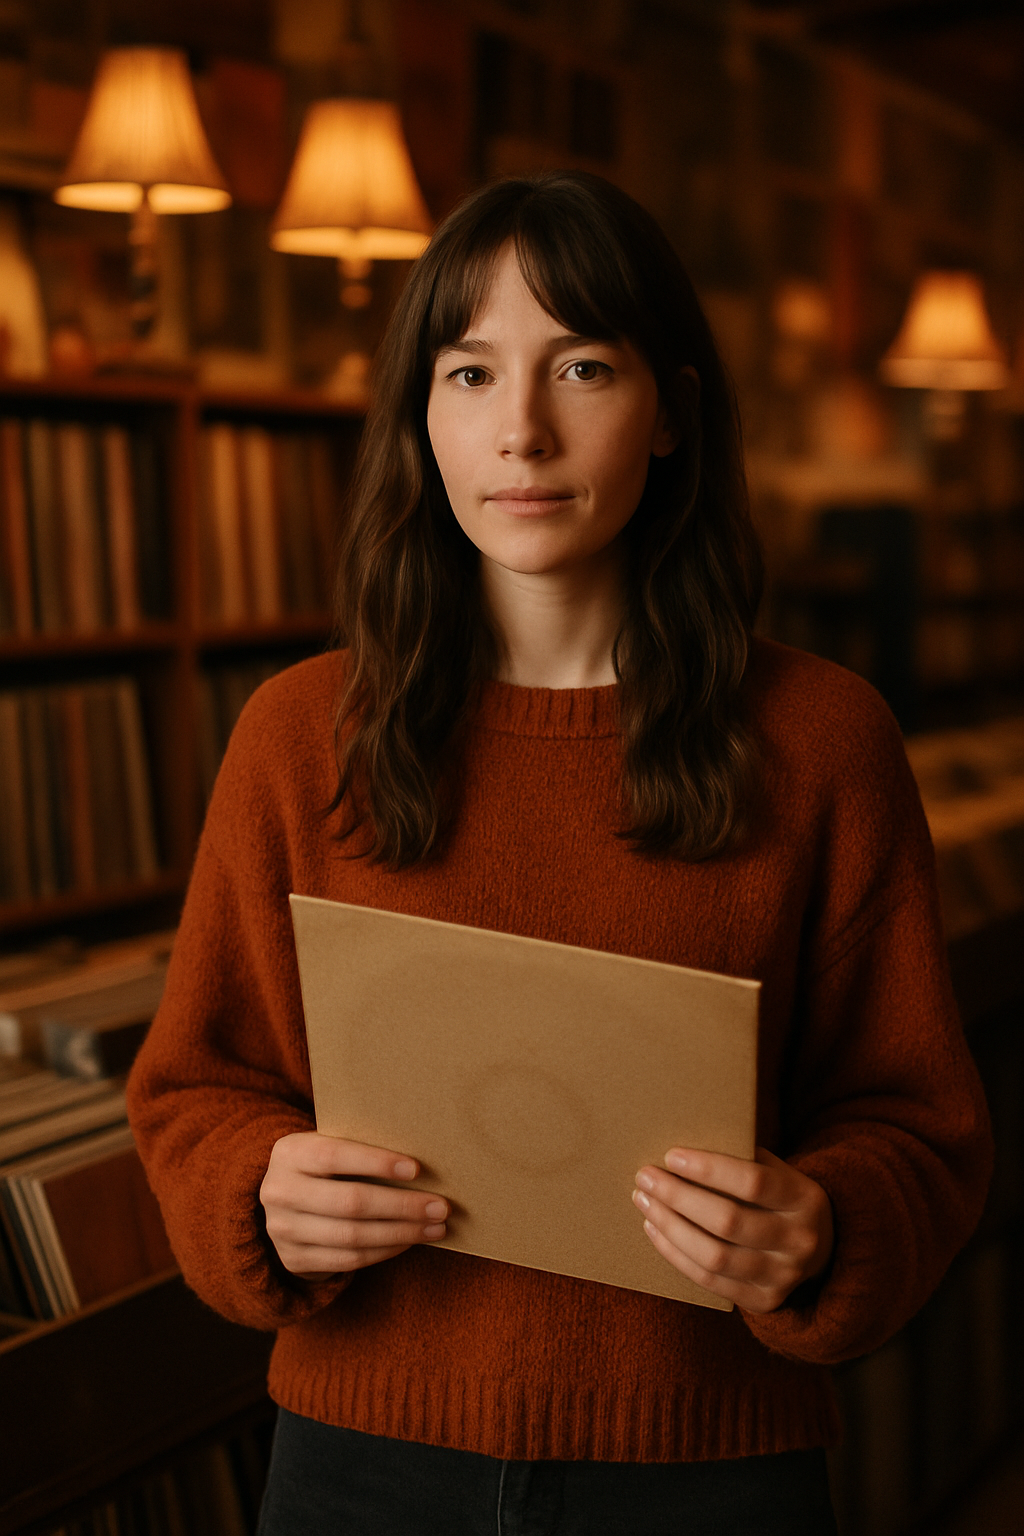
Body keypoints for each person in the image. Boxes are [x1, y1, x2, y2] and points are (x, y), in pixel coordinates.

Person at [126, 171, 993, 1535]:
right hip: (357, 1461)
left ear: (673, 415)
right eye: (469, 372)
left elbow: (921, 1128)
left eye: (580, 365)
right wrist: (255, 1189)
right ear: (422, 417)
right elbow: (193, 1090)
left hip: (711, 1468)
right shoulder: (300, 734)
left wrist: (821, 1224)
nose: (520, 430)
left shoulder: (827, 743)